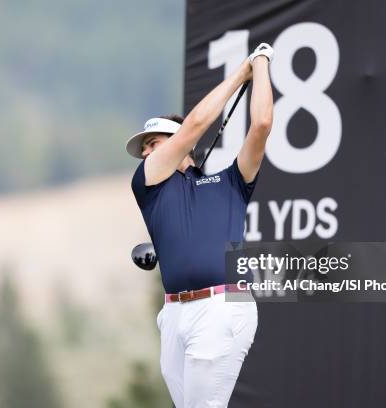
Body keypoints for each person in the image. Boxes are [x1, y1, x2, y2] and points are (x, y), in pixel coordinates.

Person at [126, 43, 274, 408]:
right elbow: (193, 125)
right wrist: (239, 74)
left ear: (180, 146)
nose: (147, 152)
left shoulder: (231, 182)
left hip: (224, 305)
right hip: (174, 315)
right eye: (145, 147)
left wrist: (260, 65)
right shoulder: (148, 183)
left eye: (154, 143)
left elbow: (262, 124)